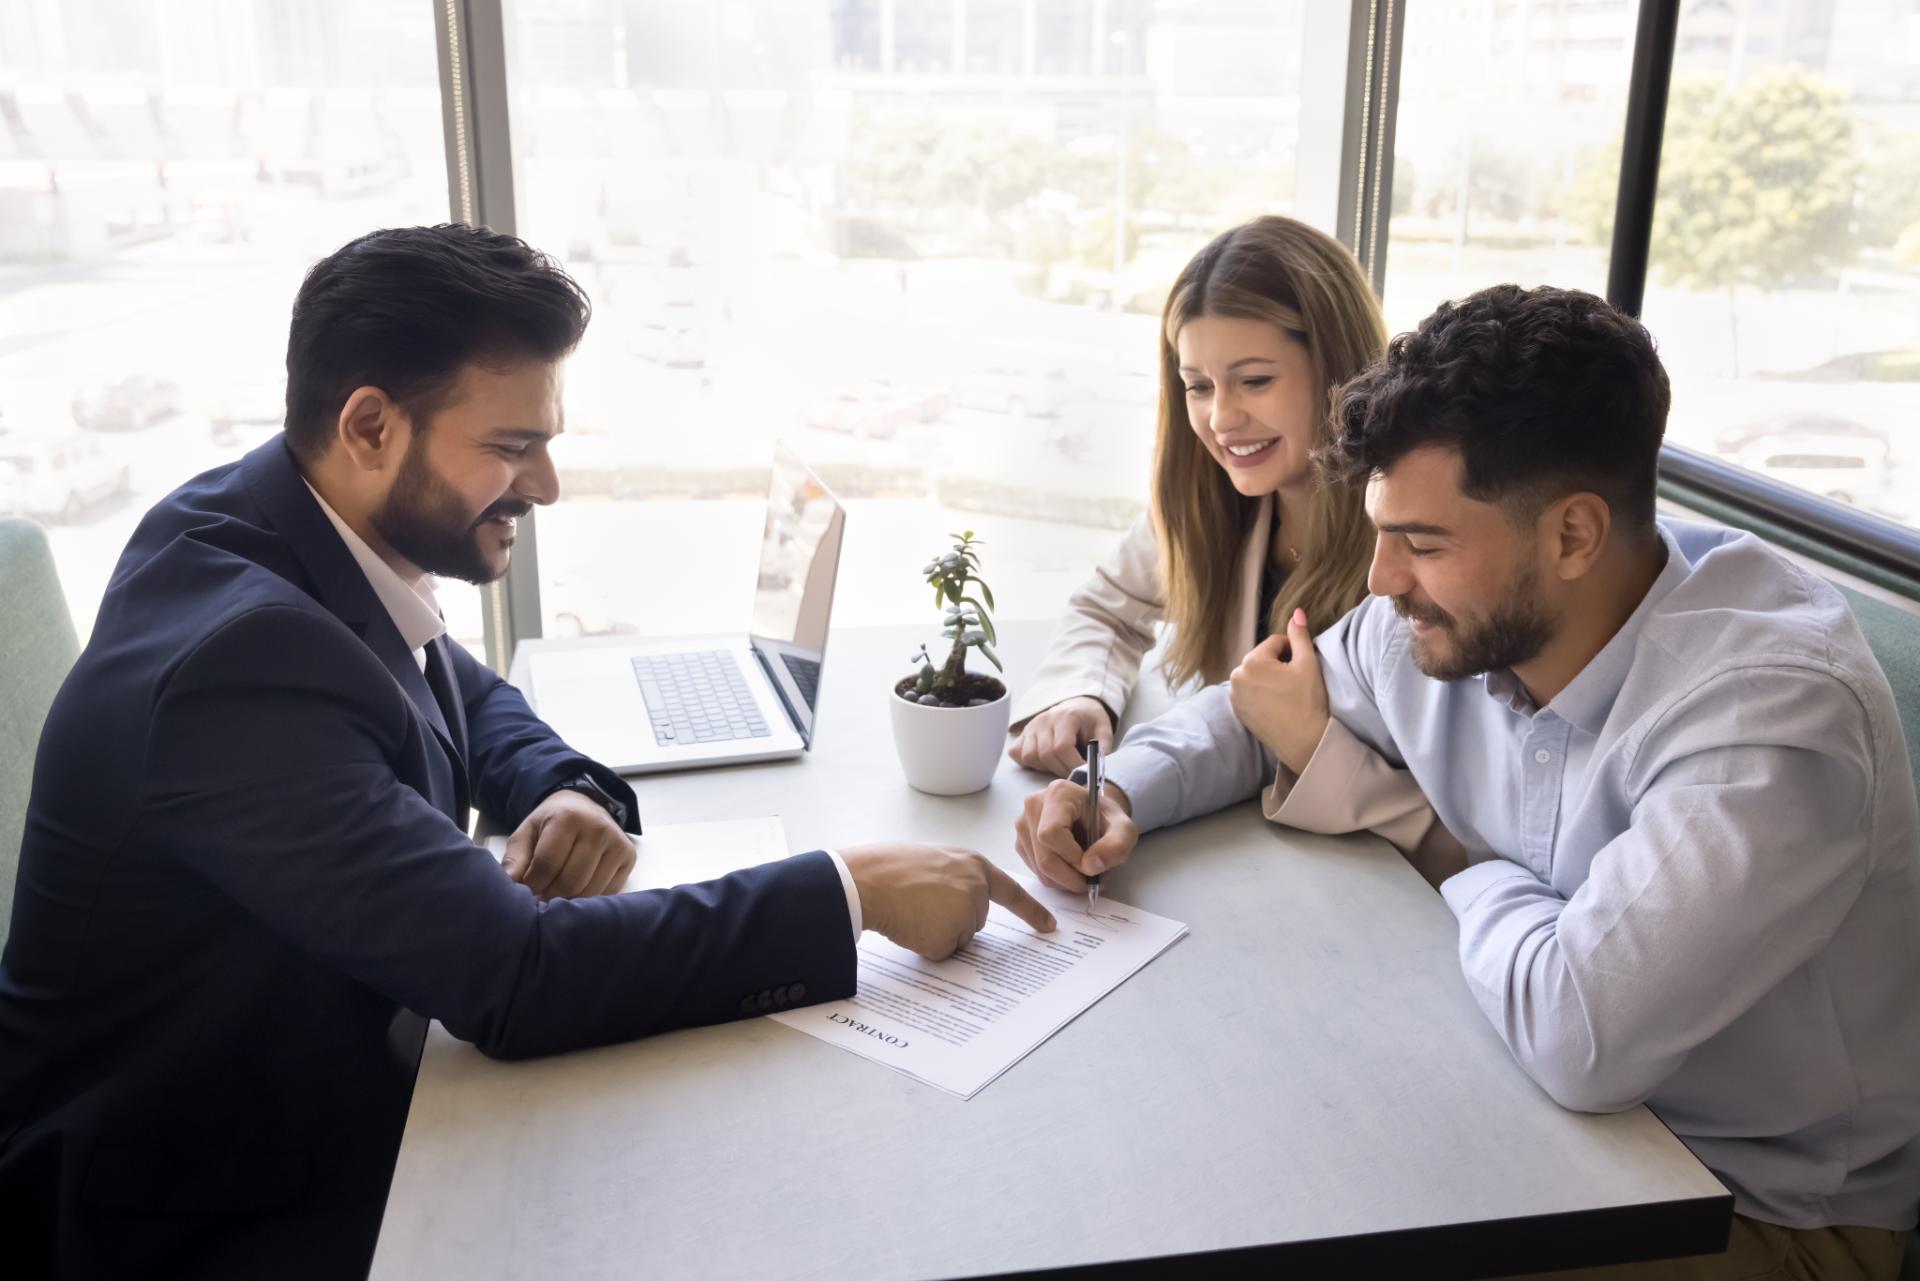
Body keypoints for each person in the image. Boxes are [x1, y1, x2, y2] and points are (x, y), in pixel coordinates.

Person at [0, 224, 1054, 1281]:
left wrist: (560, 787)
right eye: (512, 447)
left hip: (310, 1087)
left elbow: (453, 685)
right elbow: (520, 979)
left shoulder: (272, 523)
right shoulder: (240, 664)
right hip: (195, 1208)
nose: (545, 486)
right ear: (369, 425)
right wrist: (852, 892)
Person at [1015, 286, 1920, 1279]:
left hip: (1752, 1212)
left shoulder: (1770, 718)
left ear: (1572, 536)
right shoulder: (1457, 615)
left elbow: (1578, 1033)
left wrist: (1455, 861)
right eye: (1383, 533)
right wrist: (1117, 791)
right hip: (1537, 1122)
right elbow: (1261, 705)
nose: (1381, 582)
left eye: (1425, 544)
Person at [1006, 215, 1387, 775]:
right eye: (1199, 387)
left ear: (1339, 370)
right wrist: (1079, 696)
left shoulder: (1411, 535)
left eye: (1255, 380)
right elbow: (1107, 609)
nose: (1222, 418)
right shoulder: (1205, 500)